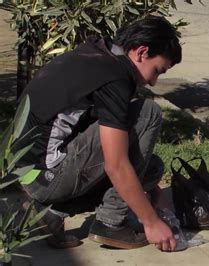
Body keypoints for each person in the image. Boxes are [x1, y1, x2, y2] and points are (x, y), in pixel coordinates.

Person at [14, 15, 181, 252]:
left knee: (151, 168)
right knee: (147, 112)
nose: (154, 82)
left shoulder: (98, 53)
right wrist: (152, 222)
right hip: (46, 177)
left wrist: (151, 191)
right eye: (157, 71)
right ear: (142, 52)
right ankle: (111, 223)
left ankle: (50, 213)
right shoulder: (115, 77)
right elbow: (116, 165)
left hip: (26, 173)